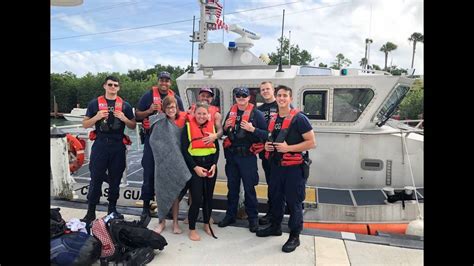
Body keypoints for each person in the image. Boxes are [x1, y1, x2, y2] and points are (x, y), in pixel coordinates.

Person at [256, 85, 316, 253]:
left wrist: (288, 148)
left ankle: (295, 236)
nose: (282, 98)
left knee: (294, 202)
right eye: (279, 95)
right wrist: (267, 146)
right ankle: (275, 227)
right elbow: (271, 139)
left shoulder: (299, 119)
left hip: (294, 169)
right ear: (276, 97)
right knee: (276, 198)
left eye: (285, 96)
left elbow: (312, 142)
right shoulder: (273, 119)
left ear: (290, 98)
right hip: (276, 167)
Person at [81, 75, 136, 223]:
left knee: (115, 179)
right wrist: (97, 117)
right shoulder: (94, 104)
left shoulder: (125, 105)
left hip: (118, 145)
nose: (113, 87)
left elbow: (133, 125)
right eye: (110, 85)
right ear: (104, 86)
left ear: (118, 88)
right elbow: (85, 124)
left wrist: (124, 118)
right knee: (95, 178)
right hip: (100, 144)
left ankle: (112, 210)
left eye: (115, 85)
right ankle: (90, 212)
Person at [135, 71, 185, 220]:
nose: (164, 83)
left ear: (170, 83)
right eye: (162, 80)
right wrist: (149, 110)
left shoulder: (175, 99)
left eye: (167, 81)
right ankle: (145, 207)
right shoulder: (148, 96)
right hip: (152, 141)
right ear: (158, 81)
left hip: (169, 143)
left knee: (169, 175)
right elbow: (137, 115)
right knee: (149, 173)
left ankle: (167, 207)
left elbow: (181, 117)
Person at [218, 87, 268, 233]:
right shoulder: (231, 112)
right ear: (235, 98)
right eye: (238, 95)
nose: (241, 98)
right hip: (232, 157)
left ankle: (253, 218)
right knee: (232, 188)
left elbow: (266, 134)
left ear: (248, 98)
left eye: (244, 95)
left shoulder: (256, 114)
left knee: (249, 189)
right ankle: (230, 215)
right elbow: (225, 132)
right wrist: (225, 127)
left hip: (247, 158)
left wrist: (253, 129)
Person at [149, 96, 189, 234]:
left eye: (173, 107)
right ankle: (162, 222)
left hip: (177, 162)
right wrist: (163, 157)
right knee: (161, 192)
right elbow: (154, 142)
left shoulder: (181, 122)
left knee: (175, 193)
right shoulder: (159, 121)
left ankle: (176, 223)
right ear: (164, 108)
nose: (171, 110)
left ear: (177, 108)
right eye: (168, 107)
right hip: (162, 163)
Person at [184, 87, 223, 224]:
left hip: (209, 162)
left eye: (209, 96)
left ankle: (207, 218)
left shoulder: (216, 115)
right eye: (203, 95)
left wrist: (215, 136)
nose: (206, 98)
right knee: (193, 193)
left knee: (208, 195)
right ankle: (191, 218)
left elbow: (220, 132)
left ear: (212, 98)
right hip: (194, 163)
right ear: (199, 97)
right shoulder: (189, 113)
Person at [256, 81, 278, 226]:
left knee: (279, 185)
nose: (265, 91)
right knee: (271, 184)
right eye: (263, 90)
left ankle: (277, 214)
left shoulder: (282, 106)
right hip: (266, 154)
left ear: (273, 90)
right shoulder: (259, 110)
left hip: (280, 153)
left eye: (267, 89)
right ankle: (272, 213)